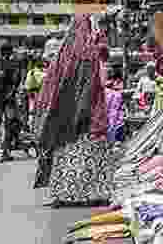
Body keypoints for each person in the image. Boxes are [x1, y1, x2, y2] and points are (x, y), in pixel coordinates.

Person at [32, 14, 110, 201]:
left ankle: (65, 192)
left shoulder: (65, 54)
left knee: (69, 151)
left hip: (65, 115)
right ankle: (90, 192)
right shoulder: (86, 53)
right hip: (86, 111)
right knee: (87, 149)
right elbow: (97, 77)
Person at [0, 44, 24, 162]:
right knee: (9, 124)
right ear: (10, 52)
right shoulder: (12, 64)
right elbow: (15, 81)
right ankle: (4, 152)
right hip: (8, 98)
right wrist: (12, 94)